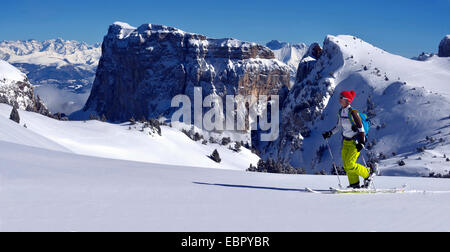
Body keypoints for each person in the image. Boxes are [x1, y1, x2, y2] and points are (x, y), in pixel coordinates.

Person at [322, 90, 374, 189]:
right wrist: (330, 133)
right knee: (346, 166)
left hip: (355, 142)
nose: (339, 99)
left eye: (341, 98)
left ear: (347, 100)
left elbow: (361, 128)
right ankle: (354, 184)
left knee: (350, 164)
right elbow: (338, 126)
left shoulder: (353, 112)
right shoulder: (341, 111)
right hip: (346, 141)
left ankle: (368, 175)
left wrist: (362, 142)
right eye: (340, 97)